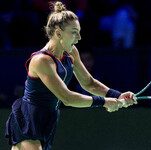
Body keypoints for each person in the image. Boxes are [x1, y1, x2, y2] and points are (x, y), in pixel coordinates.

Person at [5, 1, 137, 150]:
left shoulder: (71, 52)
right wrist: (104, 102)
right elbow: (67, 98)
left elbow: (89, 83)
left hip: (49, 119)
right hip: (29, 120)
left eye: (79, 31)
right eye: (74, 32)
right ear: (58, 33)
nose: (79, 37)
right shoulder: (42, 60)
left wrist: (117, 95)